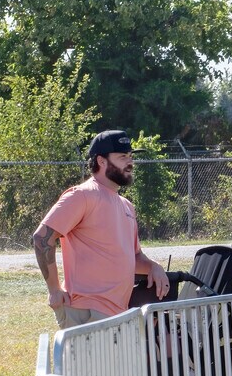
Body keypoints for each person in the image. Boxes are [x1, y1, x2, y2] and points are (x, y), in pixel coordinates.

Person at [32, 130, 171, 328]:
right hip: (86, 312)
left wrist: (153, 267)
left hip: (118, 313)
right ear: (101, 161)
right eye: (122, 156)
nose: (130, 162)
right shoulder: (82, 195)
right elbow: (42, 238)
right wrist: (54, 289)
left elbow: (134, 256)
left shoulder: (126, 205)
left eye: (131, 156)